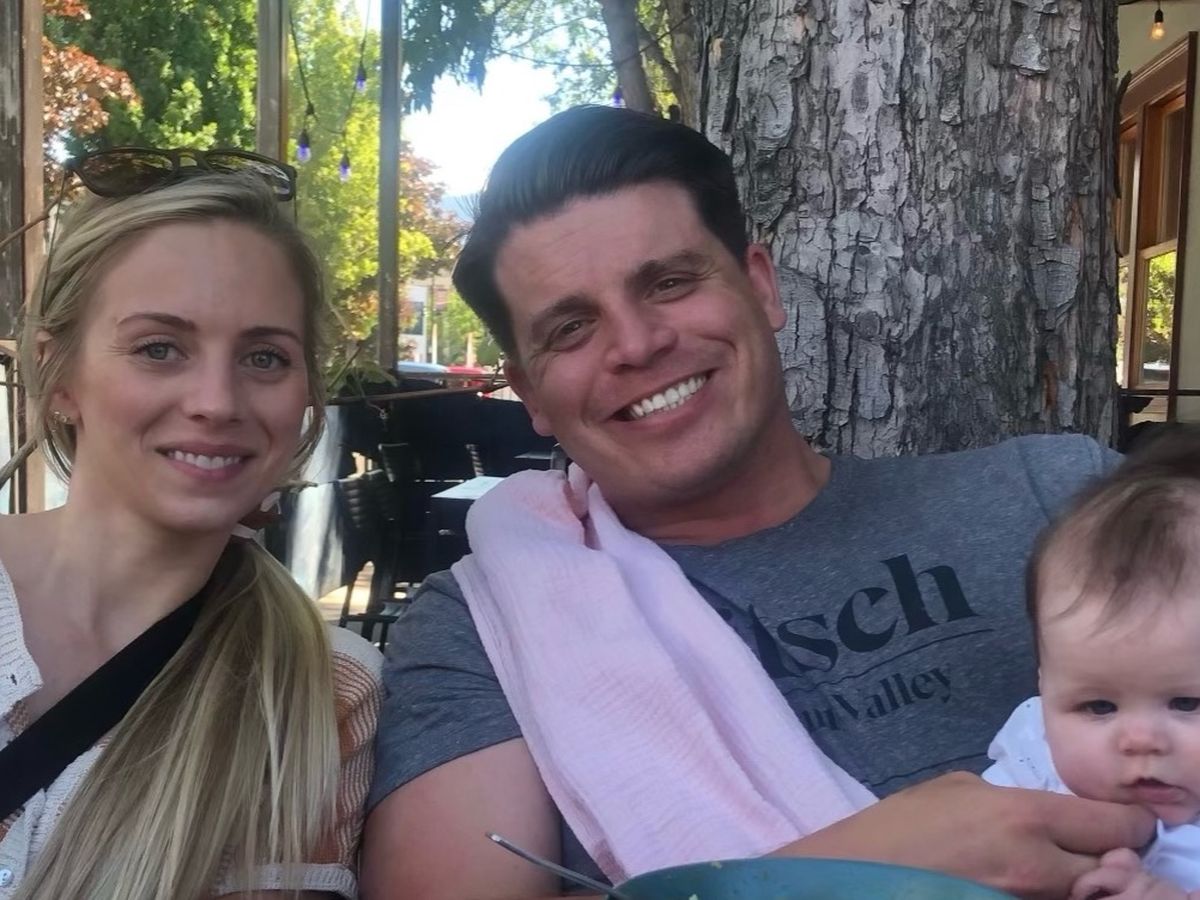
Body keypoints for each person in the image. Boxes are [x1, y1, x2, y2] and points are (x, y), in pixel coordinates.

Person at [361, 105, 1153, 900]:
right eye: (570, 328)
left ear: (762, 285)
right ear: (530, 392)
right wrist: (843, 878)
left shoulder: (1059, 500)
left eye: (669, 283)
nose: (636, 344)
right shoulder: (487, 628)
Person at [0, 159, 381, 899]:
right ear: (59, 375)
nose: (217, 401)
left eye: (264, 358)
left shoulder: (321, 692)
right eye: (159, 348)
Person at [982, 428, 1200, 900]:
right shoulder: (1033, 760)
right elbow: (977, 854)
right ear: (1045, 686)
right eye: (1098, 706)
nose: (1139, 740)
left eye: (1188, 702)